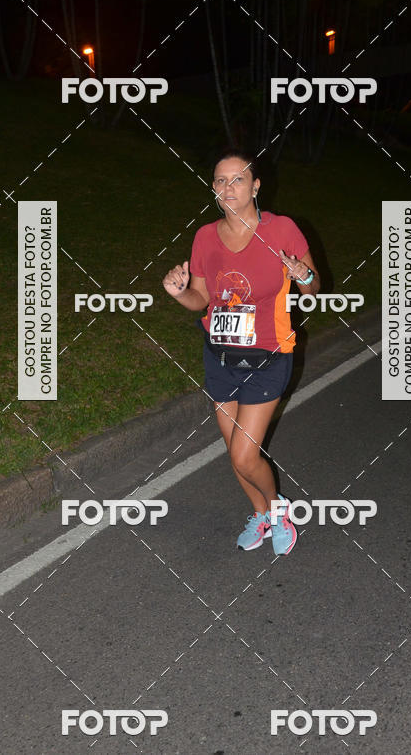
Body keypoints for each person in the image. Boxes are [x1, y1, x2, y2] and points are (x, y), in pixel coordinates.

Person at [162, 149, 320, 555]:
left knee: (245, 455)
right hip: (220, 357)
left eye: (236, 180)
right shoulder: (204, 237)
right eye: (220, 180)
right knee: (234, 454)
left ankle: (278, 509)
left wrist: (303, 274)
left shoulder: (282, 229)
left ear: (255, 186)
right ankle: (261, 514)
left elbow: (313, 287)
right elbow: (201, 298)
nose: (227, 188)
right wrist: (180, 293)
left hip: (268, 354)